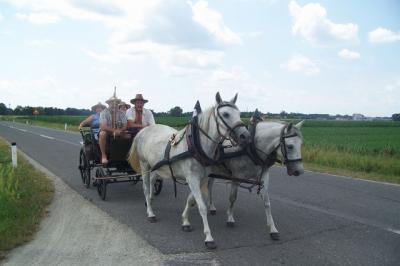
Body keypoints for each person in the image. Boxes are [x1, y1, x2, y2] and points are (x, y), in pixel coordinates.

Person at [99, 93, 128, 164]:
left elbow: (125, 126)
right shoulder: (103, 113)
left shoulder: (121, 113)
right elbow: (103, 126)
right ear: (109, 104)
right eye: (112, 103)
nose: (114, 105)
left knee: (129, 135)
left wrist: (120, 131)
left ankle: (125, 155)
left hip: (119, 131)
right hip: (107, 132)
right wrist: (114, 130)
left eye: (116, 103)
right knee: (102, 134)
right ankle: (103, 155)